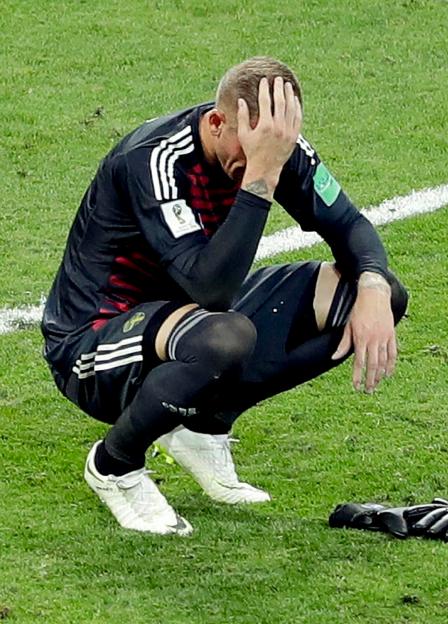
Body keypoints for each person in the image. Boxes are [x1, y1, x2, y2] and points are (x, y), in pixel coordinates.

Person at [41, 57, 408, 536]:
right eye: (252, 148)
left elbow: (351, 226)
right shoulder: (153, 159)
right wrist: (260, 179)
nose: (268, 159)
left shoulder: (272, 145)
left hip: (190, 321)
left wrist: (375, 286)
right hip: (95, 344)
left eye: (280, 145)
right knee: (223, 337)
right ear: (217, 123)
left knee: (370, 294)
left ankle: (203, 428)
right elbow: (210, 288)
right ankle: (114, 465)